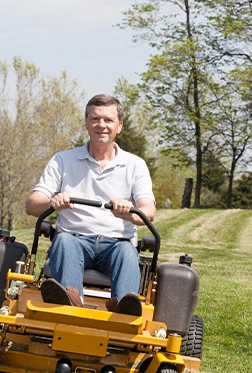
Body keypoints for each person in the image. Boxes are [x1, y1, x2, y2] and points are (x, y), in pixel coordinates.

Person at [25, 94, 156, 315]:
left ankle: (123, 309)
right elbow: (31, 205)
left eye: (108, 120)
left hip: (116, 244)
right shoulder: (63, 160)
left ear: (119, 126)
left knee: (126, 251)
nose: (101, 125)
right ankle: (70, 303)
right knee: (64, 241)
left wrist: (129, 213)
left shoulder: (135, 165)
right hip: (74, 240)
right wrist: (52, 202)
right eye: (95, 119)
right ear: (86, 123)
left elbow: (148, 212)